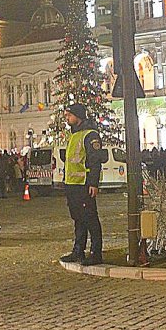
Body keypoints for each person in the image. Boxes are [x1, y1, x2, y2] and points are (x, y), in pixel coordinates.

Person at [59, 103, 106, 266]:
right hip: (72, 185)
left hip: (84, 185)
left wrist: (93, 183)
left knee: (90, 219)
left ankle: (96, 253)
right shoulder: (74, 135)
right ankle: (78, 251)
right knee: (78, 219)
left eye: (69, 115)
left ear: (78, 116)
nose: (66, 118)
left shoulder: (90, 135)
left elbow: (94, 161)